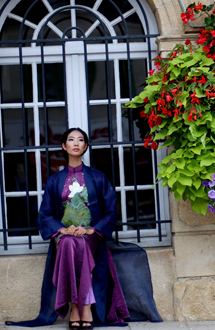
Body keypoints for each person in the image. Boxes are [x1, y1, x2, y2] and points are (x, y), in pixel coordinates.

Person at [6, 128, 162, 328]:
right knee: (71, 243)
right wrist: (63, 230)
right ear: (64, 146)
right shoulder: (55, 181)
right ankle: (79, 306)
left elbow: (110, 212)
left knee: (77, 243)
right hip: (65, 237)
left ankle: (81, 308)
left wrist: (90, 230)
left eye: (81, 140)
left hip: (92, 236)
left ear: (86, 146)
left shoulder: (97, 178)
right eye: (71, 139)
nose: (76, 143)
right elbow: (45, 214)